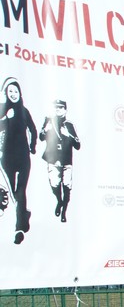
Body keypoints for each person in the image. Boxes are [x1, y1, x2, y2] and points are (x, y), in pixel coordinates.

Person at [1, 77, 37, 244]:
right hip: (7, 158)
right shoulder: (2, 110)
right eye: (10, 91)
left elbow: (33, 129)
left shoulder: (24, 111)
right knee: (13, 192)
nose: (13, 94)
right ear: (6, 93)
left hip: (23, 157)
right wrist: (5, 118)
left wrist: (32, 146)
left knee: (21, 191)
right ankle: (24, 214)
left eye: (16, 91)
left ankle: (19, 229)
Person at [40, 99, 81, 223]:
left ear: (65, 110)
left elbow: (78, 145)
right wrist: (45, 129)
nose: (58, 109)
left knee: (67, 187)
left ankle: (64, 212)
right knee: (55, 185)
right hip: (53, 160)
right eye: (56, 107)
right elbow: (41, 137)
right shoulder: (49, 121)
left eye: (61, 107)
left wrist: (68, 135)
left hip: (66, 161)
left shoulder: (69, 125)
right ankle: (59, 201)